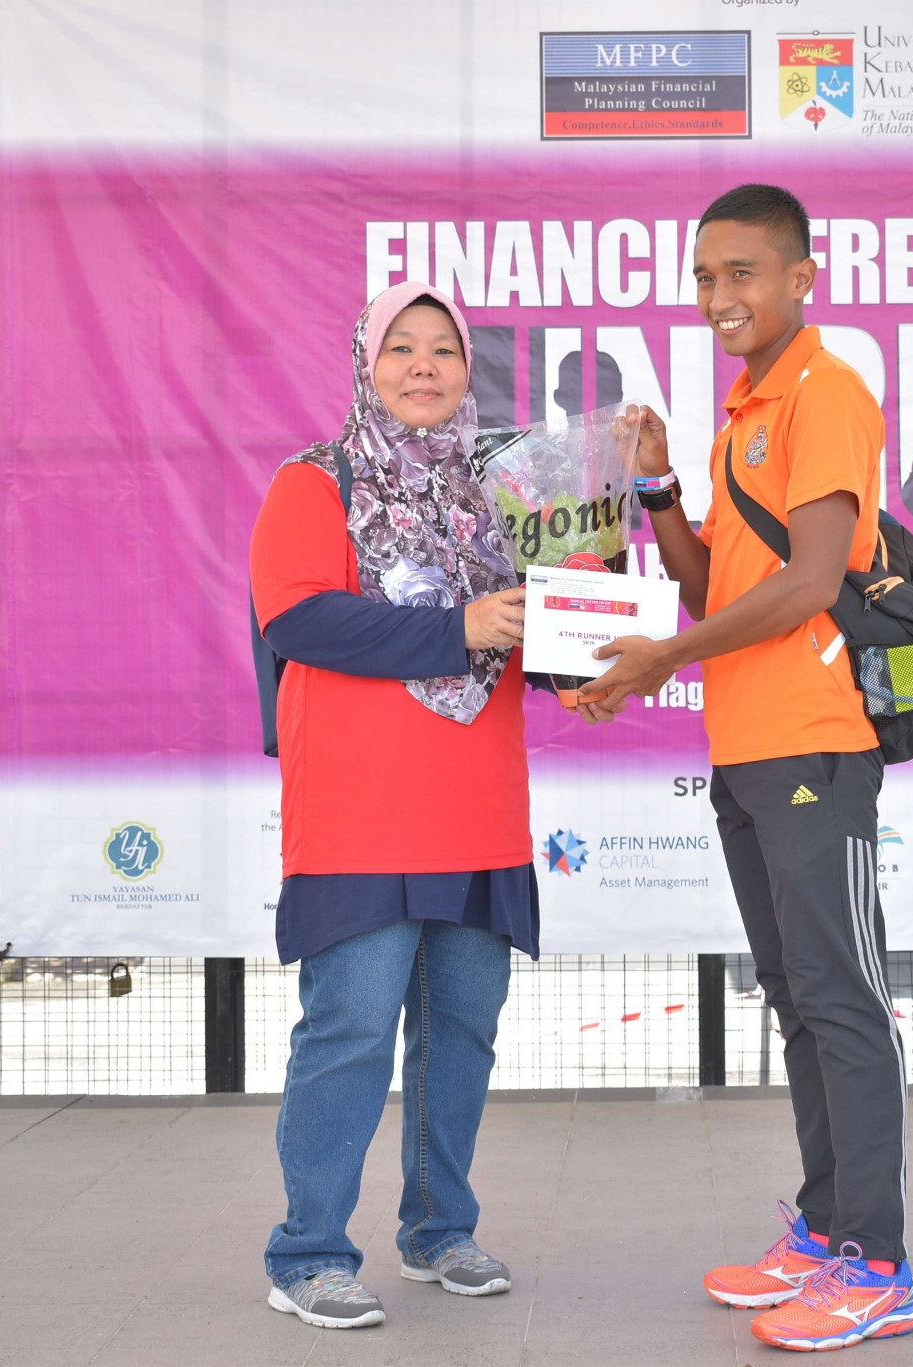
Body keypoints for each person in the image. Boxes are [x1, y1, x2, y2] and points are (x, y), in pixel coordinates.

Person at [582, 184, 913, 1352]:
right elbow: (707, 587)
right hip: (746, 747)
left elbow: (810, 581)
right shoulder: (743, 414)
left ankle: (878, 1261)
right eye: (703, 275)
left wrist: (659, 661)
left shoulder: (825, 392)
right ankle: (825, 1231)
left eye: (741, 272)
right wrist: (659, 486)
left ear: (799, 278)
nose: (717, 295)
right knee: (794, 995)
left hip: (815, 743)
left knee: (842, 998)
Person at [248, 282, 542, 1330]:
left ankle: (439, 1230)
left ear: (468, 369)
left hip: (477, 807)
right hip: (359, 810)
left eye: (444, 349)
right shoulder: (313, 481)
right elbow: (299, 617)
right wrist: (458, 626)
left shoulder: (506, 491)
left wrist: (591, 655)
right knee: (351, 1030)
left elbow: (537, 624)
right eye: (401, 348)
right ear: (364, 366)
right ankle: (309, 1252)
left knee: (461, 1031)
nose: (424, 366)